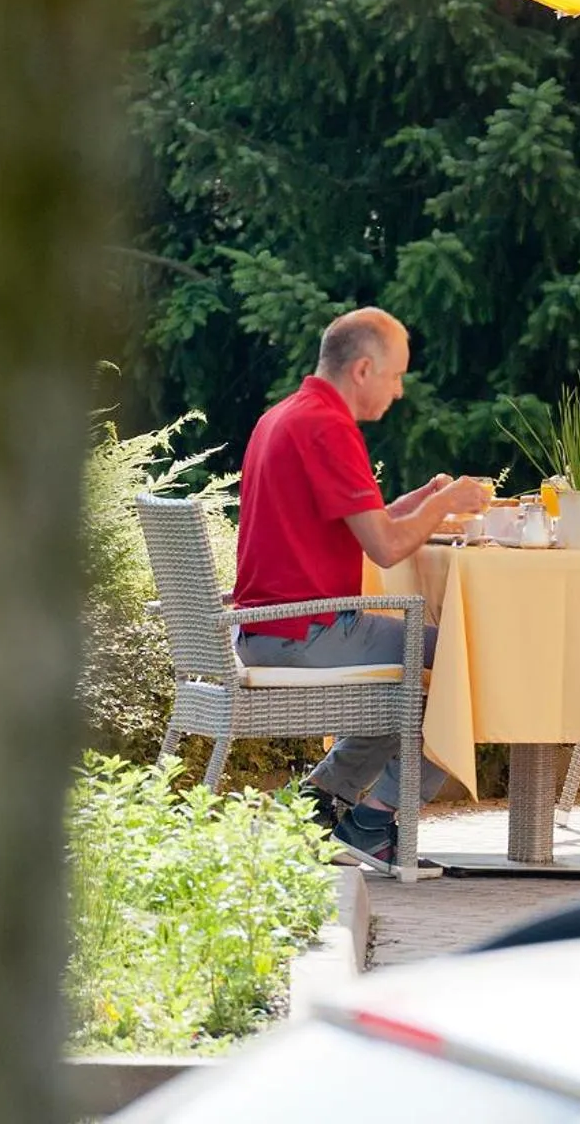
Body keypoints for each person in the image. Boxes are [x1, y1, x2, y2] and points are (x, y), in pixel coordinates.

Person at [234, 307, 491, 864]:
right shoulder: (329, 427)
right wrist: (447, 503)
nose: (399, 392)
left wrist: (420, 500)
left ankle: (324, 800)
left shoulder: (286, 415)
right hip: (305, 631)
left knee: (432, 671)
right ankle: (376, 820)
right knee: (475, 659)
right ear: (364, 369)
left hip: (269, 626)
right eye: (397, 376)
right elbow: (387, 547)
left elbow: (364, 523)